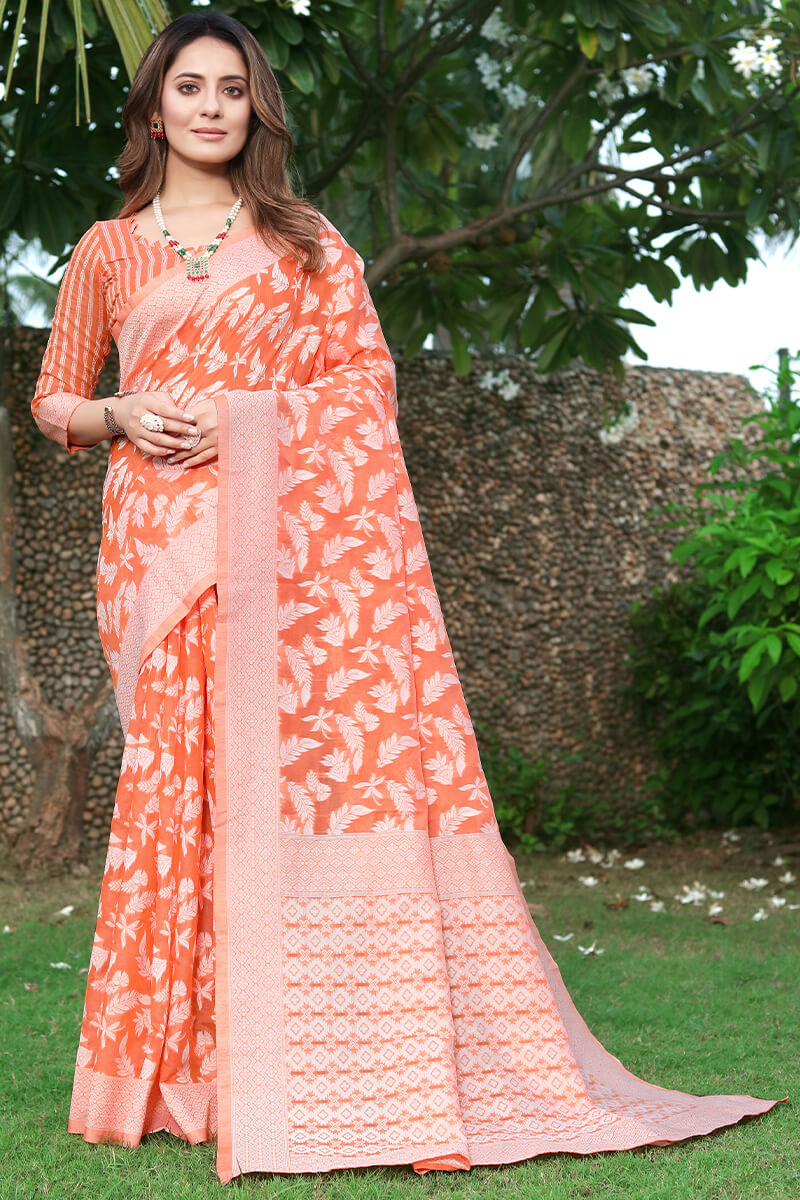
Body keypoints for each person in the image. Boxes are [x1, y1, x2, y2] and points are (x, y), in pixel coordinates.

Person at [31, 10, 786, 1186]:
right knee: (174, 799)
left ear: (256, 109)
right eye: (191, 87)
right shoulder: (106, 250)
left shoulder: (306, 244)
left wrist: (246, 420)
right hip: (158, 551)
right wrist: (122, 414)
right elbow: (54, 403)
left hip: (285, 557)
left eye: (235, 87)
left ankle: (291, 1062)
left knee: (269, 791)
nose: (214, 106)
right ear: (153, 109)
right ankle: (171, 1076)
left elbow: (364, 387)